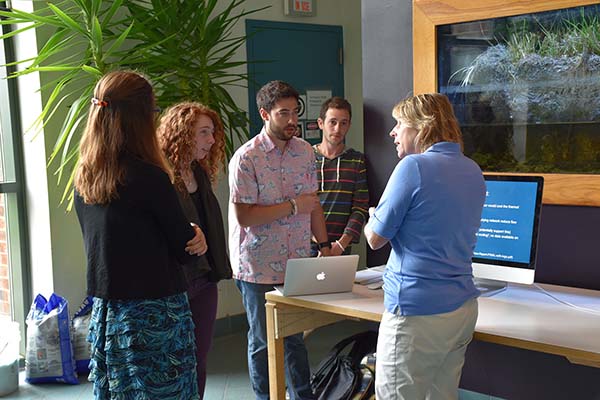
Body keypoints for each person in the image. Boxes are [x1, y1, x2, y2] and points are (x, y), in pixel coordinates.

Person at [73, 71, 206, 400]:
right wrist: (195, 233)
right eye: (154, 111)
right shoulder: (149, 177)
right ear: (140, 118)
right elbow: (182, 246)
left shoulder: (85, 177)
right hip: (154, 313)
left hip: (108, 313)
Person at [364, 93, 486, 400]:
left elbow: (375, 238)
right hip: (461, 310)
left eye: (400, 124)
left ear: (422, 127)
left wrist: (373, 217)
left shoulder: (413, 167)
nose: (393, 132)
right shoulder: (473, 169)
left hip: (416, 313)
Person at [229, 80, 330, 400]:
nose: (291, 120)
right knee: (262, 341)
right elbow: (244, 216)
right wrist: (291, 207)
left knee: (296, 337)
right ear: (264, 114)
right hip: (257, 265)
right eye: (283, 113)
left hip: (297, 261)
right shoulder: (247, 157)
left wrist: (324, 246)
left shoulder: (305, 152)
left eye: (294, 112)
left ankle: (303, 395)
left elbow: (312, 204)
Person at [157, 102, 233, 399]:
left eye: (211, 133)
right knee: (173, 358)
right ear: (182, 134)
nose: (211, 140)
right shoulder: (160, 176)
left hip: (204, 278)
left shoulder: (198, 173)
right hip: (175, 281)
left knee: (198, 357)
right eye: (203, 133)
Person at [312, 97, 369, 256]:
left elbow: (360, 207)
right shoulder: (305, 158)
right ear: (321, 123)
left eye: (343, 123)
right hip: (307, 246)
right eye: (333, 122)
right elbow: (297, 206)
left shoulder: (357, 160)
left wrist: (342, 244)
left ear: (349, 125)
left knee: (341, 282)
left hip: (341, 248)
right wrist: (320, 243)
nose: (337, 129)